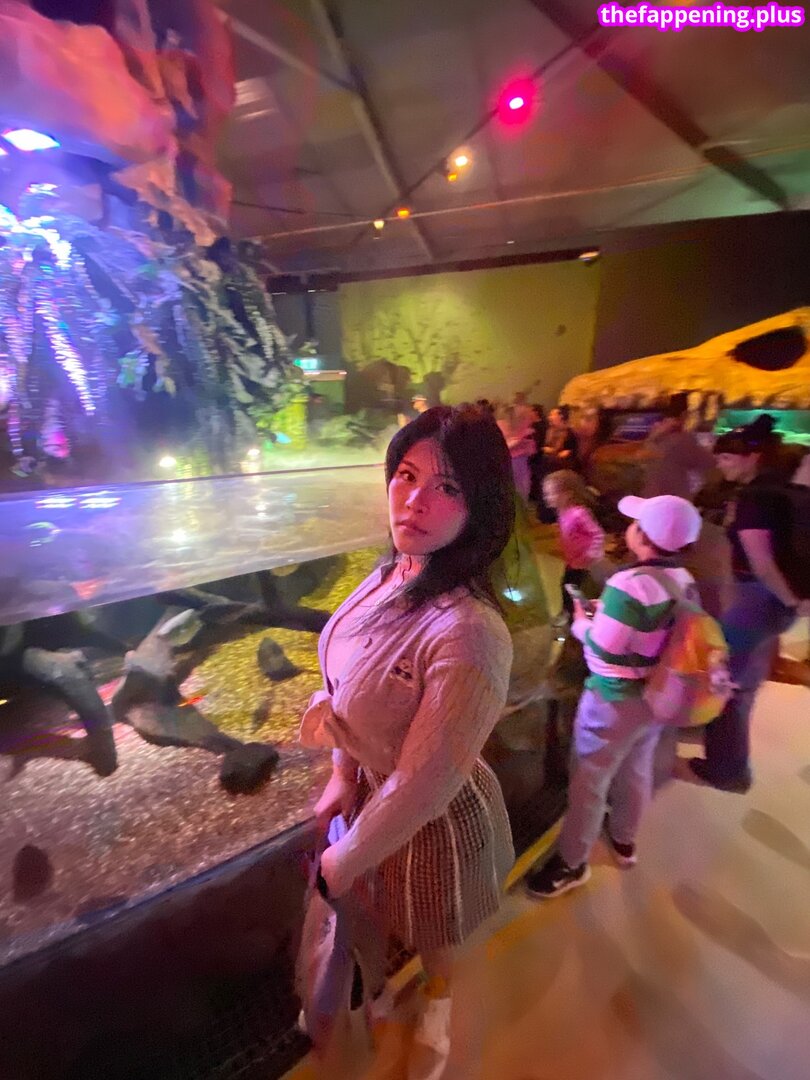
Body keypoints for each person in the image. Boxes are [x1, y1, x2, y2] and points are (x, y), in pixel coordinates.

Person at [298, 405, 515, 1068]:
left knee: (435, 927)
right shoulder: (391, 572)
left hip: (436, 821)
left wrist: (342, 860)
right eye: (407, 475)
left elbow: (425, 784)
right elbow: (344, 687)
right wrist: (342, 773)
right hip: (371, 792)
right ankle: (381, 985)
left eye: (446, 487)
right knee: (378, 909)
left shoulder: (470, 632)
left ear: (480, 506)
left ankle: (440, 997)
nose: (414, 500)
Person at [526, 494, 702, 898]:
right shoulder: (683, 579)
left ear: (644, 535)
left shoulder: (630, 584)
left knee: (589, 779)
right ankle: (623, 840)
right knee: (636, 767)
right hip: (657, 696)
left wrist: (582, 623)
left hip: (614, 701)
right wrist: (609, 614)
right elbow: (656, 632)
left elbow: (602, 650)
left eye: (636, 523)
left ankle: (571, 862)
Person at [687, 416, 809, 792]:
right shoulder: (781, 489)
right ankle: (730, 758)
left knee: (724, 682)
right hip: (773, 604)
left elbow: (761, 561)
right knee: (745, 682)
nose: (720, 465)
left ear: (752, 457)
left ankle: (726, 768)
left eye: (727, 458)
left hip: (758, 600)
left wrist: (791, 599)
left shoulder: (756, 497)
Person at [542, 470, 605, 614]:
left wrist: (590, 554)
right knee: (568, 588)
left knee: (577, 590)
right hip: (573, 561)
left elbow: (597, 534)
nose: (547, 498)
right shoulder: (562, 512)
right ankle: (572, 614)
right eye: (546, 494)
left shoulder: (579, 513)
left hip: (586, 564)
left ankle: (580, 615)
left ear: (567, 494)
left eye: (551, 494)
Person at [641, 392, 716, 499]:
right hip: (673, 500)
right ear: (685, 414)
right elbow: (710, 463)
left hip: (651, 498)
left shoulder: (655, 435)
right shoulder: (682, 438)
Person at [497, 404, 535, 502]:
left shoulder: (525, 429)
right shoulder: (501, 425)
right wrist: (518, 441)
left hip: (519, 462)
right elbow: (501, 447)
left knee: (521, 489)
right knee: (517, 490)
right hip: (511, 463)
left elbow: (531, 451)